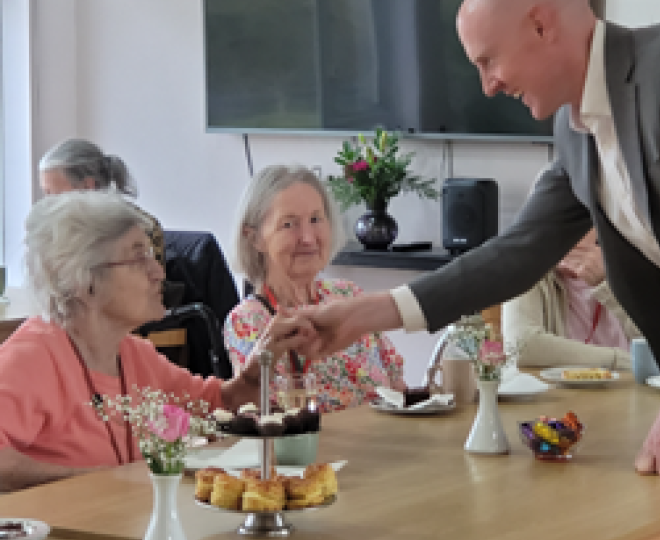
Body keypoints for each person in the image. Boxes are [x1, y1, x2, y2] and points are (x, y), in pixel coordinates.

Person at [299, 1, 660, 538]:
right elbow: (520, 250)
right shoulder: (576, 131)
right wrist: (367, 314)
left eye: (488, 61)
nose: (487, 86)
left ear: (540, 22)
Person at [0, 191, 313, 492]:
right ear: (83, 281)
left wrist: (258, 368)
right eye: (138, 259)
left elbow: (214, 406)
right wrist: (96, 482)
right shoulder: (32, 358)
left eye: (153, 256)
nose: (158, 272)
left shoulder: (134, 354)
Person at [223, 165, 406, 412]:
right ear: (255, 238)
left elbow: (398, 386)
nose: (308, 237)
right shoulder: (249, 320)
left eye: (315, 219)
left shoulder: (347, 295)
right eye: (289, 224)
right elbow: (268, 417)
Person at [502, 228, 638, 369]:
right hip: (557, 390)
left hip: (631, 389)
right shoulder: (527, 269)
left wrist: (608, 288)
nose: (569, 228)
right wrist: (617, 360)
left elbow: (657, 344)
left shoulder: (627, 265)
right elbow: (521, 345)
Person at [38, 138, 165, 265]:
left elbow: (148, 282)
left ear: (87, 186)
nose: (47, 203)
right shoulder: (56, 229)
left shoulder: (139, 227)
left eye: (53, 194)